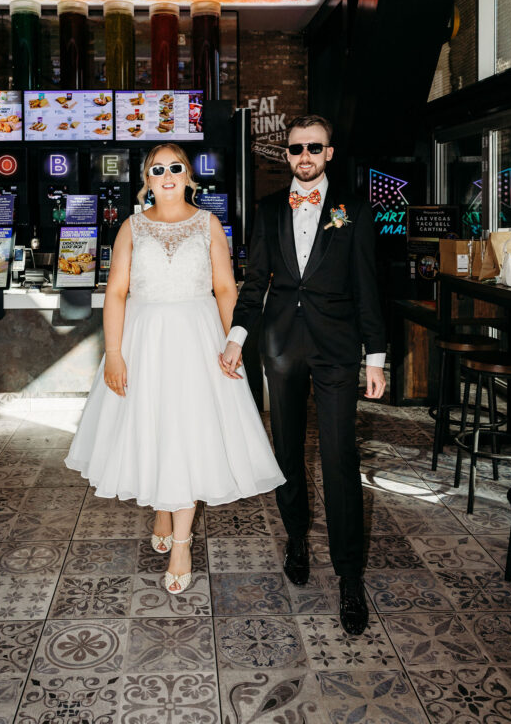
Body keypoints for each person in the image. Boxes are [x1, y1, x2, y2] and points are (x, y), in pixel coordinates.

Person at [65, 143, 284, 594]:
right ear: (146, 180)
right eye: (157, 169)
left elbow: (226, 288)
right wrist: (114, 352)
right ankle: (161, 509)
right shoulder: (131, 227)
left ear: (189, 177)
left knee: (189, 433)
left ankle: (181, 542)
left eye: (175, 167)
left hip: (198, 340)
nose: (166, 175)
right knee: (153, 427)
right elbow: (116, 294)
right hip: (143, 341)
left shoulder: (209, 223)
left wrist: (233, 343)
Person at [219, 114, 386, 635]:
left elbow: (368, 287)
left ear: (330, 153)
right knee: (286, 451)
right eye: (296, 149)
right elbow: (253, 287)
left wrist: (375, 358)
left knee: (339, 458)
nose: (305, 156)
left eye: (315, 147)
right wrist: (236, 338)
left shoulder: (354, 211)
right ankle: (295, 537)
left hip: (337, 350)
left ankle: (349, 574)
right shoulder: (268, 210)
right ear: (285, 156)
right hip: (281, 345)